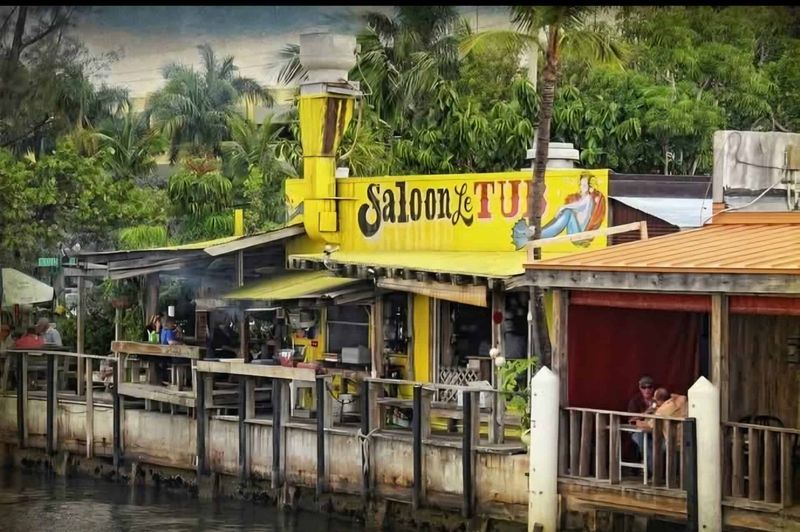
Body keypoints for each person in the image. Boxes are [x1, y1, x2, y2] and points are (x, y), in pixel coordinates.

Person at [635, 387, 688, 474]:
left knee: (648, 443)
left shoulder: (661, 411)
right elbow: (681, 397)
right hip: (688, 438)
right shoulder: (681, 401)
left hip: (674, 442)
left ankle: (656, 472)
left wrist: (638, 422)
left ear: (657, 400)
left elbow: (649, 426)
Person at [627, 375, 657, 470]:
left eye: (649, 387)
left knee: (663, 445)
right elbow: (631, 419)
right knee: (645, 444)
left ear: (653, 388)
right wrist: (645, 414)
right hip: (638, 430)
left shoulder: (657, 400)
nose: (647, 390)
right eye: (644, 387)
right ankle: (652, 471)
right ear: (640, 388)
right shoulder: (635, 401)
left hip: (654, 429)